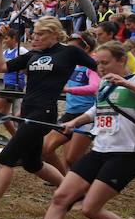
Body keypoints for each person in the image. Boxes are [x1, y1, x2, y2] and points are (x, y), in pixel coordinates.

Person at [9, 41, 135, 219]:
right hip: (100, 150)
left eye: (105, 62)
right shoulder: (104, 84)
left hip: (125, 155)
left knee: (90, 208)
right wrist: (74, 122)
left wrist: (128, 86)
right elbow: (95, 110)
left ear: (122, 60)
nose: (100, 67)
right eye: (98, 63)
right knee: (61, 197)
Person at [0, 17, 98, 219]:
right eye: (34, 34)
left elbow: (99, 66)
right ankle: (74, 193)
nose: (34, 38)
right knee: (33, 164)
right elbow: (1, 67)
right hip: (27, 111)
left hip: (44, 112)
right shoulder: (33, 55)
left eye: (40, 34)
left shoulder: (69, 52)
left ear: (55, 34)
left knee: (7, 157)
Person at [40, 32, 99, 175]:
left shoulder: (91, 65)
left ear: (86, 49)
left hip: (85, 115)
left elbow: (94, 87)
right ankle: (64, 179)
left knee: (72, 159)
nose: (69, 52)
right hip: (70, 113)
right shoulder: (73, 65)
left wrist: (68, 89)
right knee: (45, 149)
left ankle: (83, 185)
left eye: (73, 49)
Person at [0, 30, 27, 137]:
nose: (4, 41)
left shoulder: (21, 50)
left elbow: (31, 61)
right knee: (3, 115)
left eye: (7, 38)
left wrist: (23, 69)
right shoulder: (5, 52)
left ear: (14, 38)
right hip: (7, 84)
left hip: (15, 86)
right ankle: (15, 137)